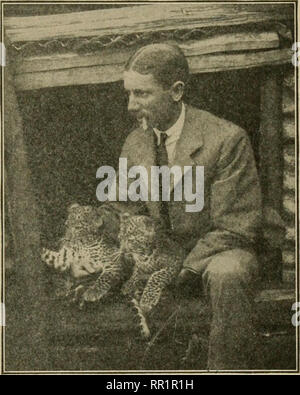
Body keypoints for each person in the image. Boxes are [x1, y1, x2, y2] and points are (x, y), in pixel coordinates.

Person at [106, 43, 262, 370]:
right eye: (129, 93)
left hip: (215, 251)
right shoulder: (135, 143)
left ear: (176, 91)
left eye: (142, 94)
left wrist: (181, 267)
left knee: (229, 273)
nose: (131, 105)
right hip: (162, 255)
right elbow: (125, 211)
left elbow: (235, 227)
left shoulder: (226, 138)